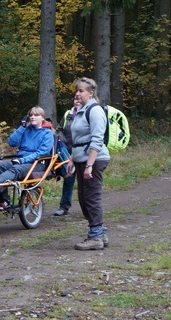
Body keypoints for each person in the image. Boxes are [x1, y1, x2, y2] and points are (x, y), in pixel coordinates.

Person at [66, 77, 110, 250]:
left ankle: (96, 237)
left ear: (91, 93)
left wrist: (90, 165)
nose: (77, 93)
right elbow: (77, 139)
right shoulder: (80, 110)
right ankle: (100, 232)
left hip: (94, 159)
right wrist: (71, 159)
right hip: (81, 159)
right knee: (84, 199)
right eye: (77, 90)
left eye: (81, 90)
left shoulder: (95, 110)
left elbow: (97, 139)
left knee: (91, 197)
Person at [0, 106, 54, 211]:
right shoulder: (26, 129)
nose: (33, 117)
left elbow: (42, 152)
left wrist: (22, 160)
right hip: (21, 160)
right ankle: (4, 201)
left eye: (36, 115)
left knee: (17, 169)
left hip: (37, 163)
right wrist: (22, 127)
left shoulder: (47, 133)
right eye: (31, 115)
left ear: (42, 118)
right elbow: (12, 143)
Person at [54, 99, 80, 216]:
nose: (76, 101)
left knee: (85, 183)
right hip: (67, 153)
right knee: (68, 180)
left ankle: (89, 208)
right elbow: (59, 130)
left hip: (83, 153)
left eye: (79, 99)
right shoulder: (67, 114)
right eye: (75, 99)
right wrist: (63, 142)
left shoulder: (88, 114)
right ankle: (64, 207)